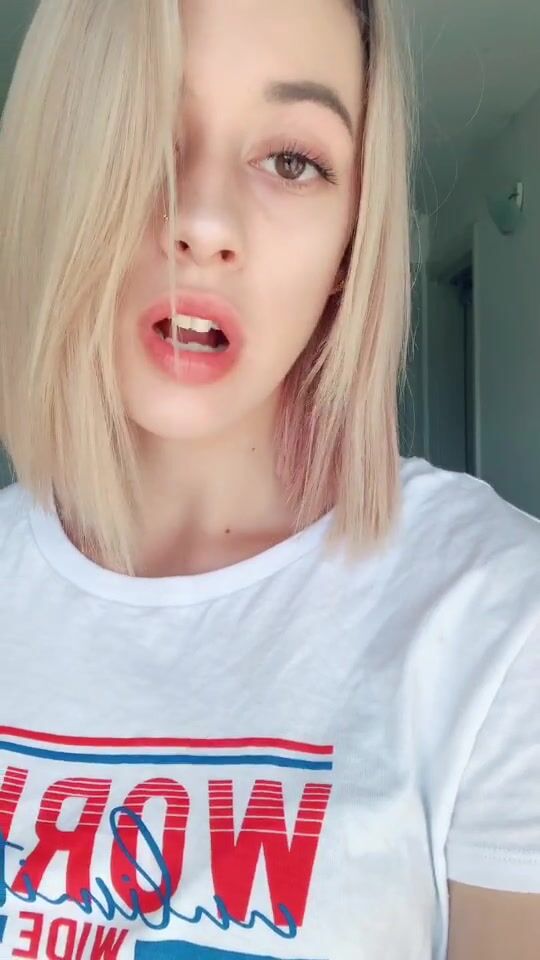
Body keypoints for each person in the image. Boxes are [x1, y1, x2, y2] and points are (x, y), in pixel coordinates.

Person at [0, 0, 539, 957]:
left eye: (292, 161)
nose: (204, 222)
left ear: (348, 246)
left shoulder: (500, 614)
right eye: (143, 128)